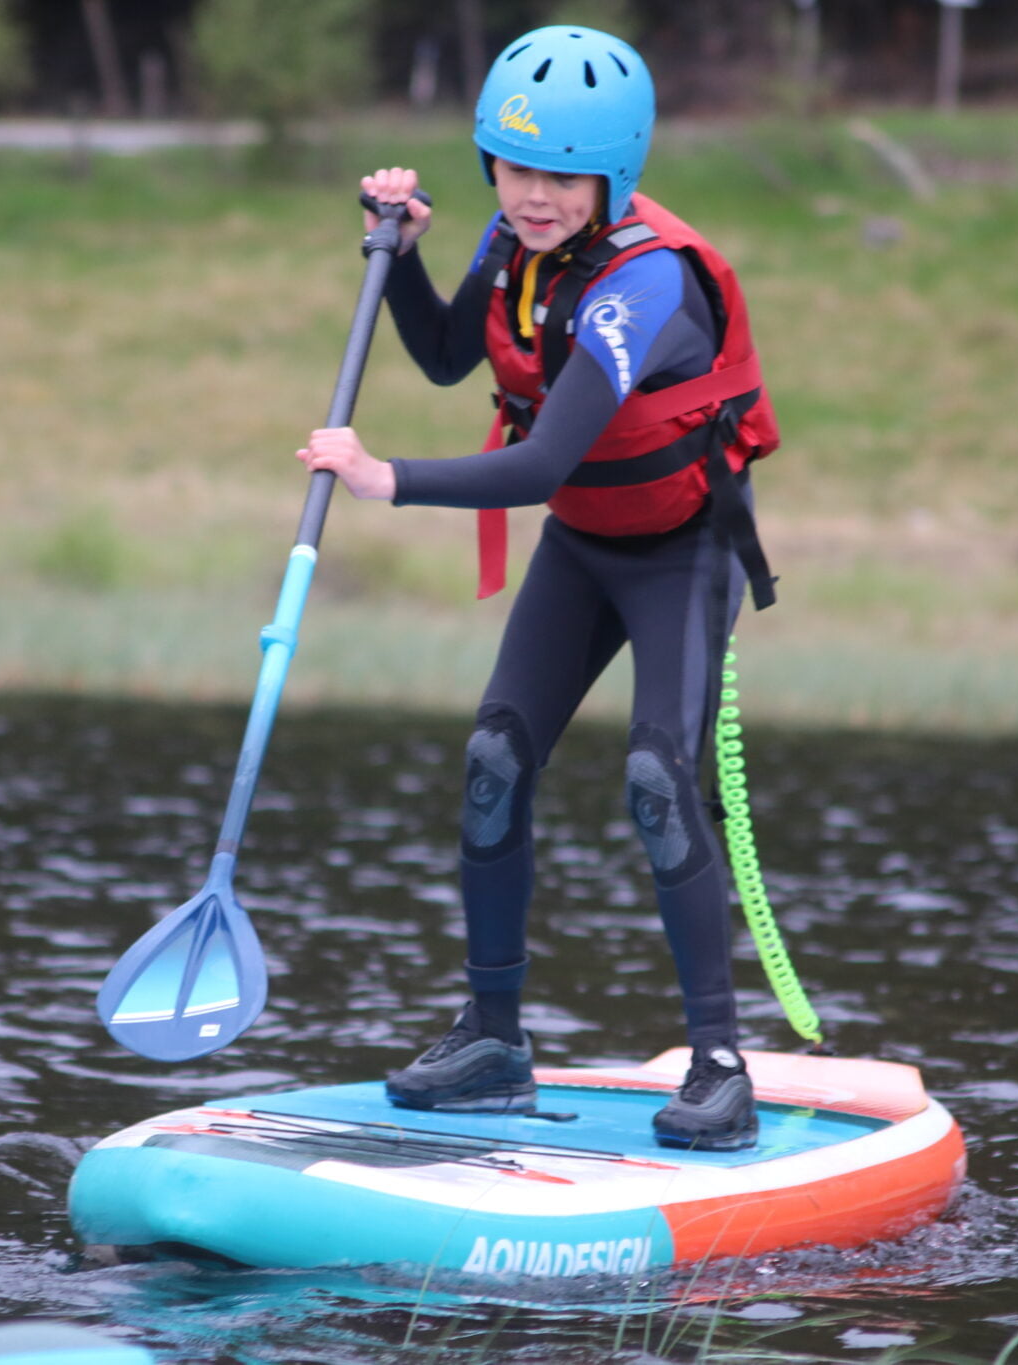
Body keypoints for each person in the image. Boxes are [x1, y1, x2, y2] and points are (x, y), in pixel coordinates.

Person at [295, 26, 782, 1150]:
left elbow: (540, 463)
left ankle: (719, 1067)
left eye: (560, 176)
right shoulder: (513, 245)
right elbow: (446, 356)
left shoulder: (642, 284)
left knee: (657, 784)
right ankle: (492, 1043)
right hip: (581, 546)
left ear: (608, 178)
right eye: (513, 170)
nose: (533, 195)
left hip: (676, 552)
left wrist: (384, 478)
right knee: (492, 763)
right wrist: (401, 252)